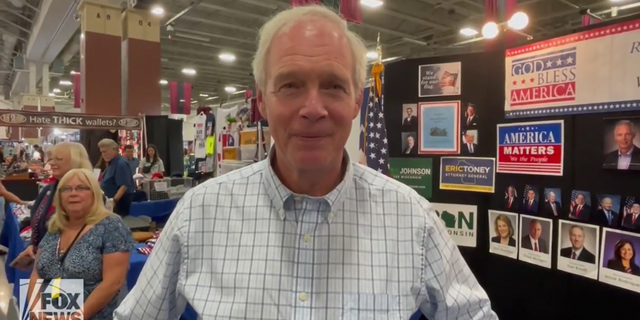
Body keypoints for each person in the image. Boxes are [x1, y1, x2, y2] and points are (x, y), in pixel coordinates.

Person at [114, 5, 497, 320]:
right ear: (262, 102)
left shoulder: (412, 218)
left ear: (355, 104)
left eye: (333, 85)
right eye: (291, 85)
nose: (313, 109)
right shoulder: (200, 213)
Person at [27, 169, 133, 319]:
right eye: (66, 189)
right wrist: (35, 310)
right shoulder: (55, 227)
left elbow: (113, 283)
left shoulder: (111, 226)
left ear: (94, 194)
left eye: (81, 188)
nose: (73, 193)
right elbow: (36, 273)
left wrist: (76, 317)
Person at [13, 142, 93, 269]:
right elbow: (38, 223)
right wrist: (32, 245)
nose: (51, 163)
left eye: (59, 159)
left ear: (75, 161)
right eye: (52, 158)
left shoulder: (90, 195)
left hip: (71, 270)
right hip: (44, 263)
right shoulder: (49, 190)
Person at [98, 139, 135, 216]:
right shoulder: (111, 162)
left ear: (114, 149)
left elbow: (124, 186)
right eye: (101, 152)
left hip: (118, 206)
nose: (103, 154)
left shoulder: (121, 163)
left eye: (105, 151)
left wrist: (113, 201)